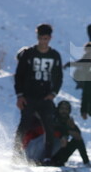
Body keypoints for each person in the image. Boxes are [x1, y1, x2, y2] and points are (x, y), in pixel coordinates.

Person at [14, 24, 63, 164]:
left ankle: (47, 156)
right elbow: (19, 75)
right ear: (37, 38)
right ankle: (15, 154)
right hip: (29, 96)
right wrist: (20, 95)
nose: (43, 41)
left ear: (50, 38)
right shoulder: (29, 53)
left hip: (45, 97)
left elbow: (59, 77)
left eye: (46, 38)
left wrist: (53, 93)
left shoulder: (54, 55)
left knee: (49, 126)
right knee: (23, 125)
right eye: (41, 38)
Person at [50, 101, 90, 166]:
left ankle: (86, 162)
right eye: (62, 109)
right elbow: (55, 129)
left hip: (63, 151)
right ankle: (55, 161)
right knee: (63, 139)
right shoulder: (54, 118)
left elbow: (78, 134)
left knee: (78, 138)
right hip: (51, 150)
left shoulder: (68, 120)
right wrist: (67, 131)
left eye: (66, 109)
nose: (64, 111)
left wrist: (73, 127)